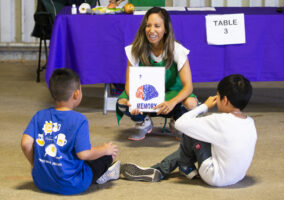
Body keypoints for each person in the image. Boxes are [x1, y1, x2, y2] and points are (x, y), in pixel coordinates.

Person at [121, 74, 258, 187]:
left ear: (225, 100)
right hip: (237, 176)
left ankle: (167, 169)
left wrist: (204, 106)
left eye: (217, 96)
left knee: (192, 129)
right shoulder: (250, 122)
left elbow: (181, 124)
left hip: (215, 176)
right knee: (203, 131)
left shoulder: (219, 121)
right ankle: (180, 168)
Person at [21, 68, 120, 195]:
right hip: (74, 184)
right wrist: (105, 149)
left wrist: (35, 166)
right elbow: (83, 154)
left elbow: (25, 144)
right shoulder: (79, 120)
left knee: (77, 153)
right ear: (76, 94)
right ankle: (105, 174)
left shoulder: (39, 116)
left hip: (41, 181)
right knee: (106, 156)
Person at [116, 7, 198, 141]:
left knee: (191, 103)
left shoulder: (177, 50)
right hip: (145, 95)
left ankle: (177, 123)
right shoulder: (135, 50)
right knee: (123, 103)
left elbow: (188, 87)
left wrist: (172, 103)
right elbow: (129, 84)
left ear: (166, 29)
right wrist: (135, 102)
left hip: (171, 93)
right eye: (148, 25)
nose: (151, 30)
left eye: (157, 26)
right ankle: (144, 121)